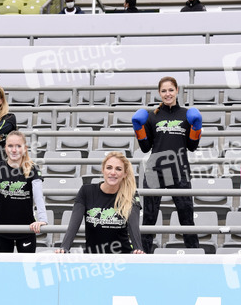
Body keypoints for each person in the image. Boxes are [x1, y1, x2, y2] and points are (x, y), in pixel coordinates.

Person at [132, 76, 202, 253]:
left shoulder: (186, 115)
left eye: (171, 90)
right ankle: (142, 255)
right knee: (149, 218)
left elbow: (192, 147)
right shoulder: (151, 116)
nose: (167, 94)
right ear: (159, 93)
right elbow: (145, 147)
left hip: (179, 170)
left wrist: (197, 127)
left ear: (177, 90)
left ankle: (195, 256)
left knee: (186, 218)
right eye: (164, 91)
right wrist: (138, 128)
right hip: (155, 170)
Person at [0, 131, 47, 253]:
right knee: (3, 265)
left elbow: (38, 197)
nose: (14, 150)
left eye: (18, 146)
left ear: (25, 148)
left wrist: (42, 220)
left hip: (27, 230)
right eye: (10, 146)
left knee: (26, 264)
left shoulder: (33, 169)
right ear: (5, 148)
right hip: (1, 229)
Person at [57, 152, 144, 254]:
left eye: (118, 169)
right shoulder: (86, 191)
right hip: (93, 258)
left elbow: (134, 228)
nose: (113, 172)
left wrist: (138, 249)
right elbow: (73, 225)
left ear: (125, 174)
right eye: (109, 168)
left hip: (121, 257)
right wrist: (64, 247)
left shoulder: (131, 194)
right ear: (103, 170)